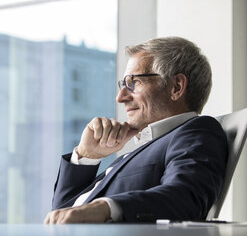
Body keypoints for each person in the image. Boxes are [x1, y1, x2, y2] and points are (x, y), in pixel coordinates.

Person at [44, 36, 228, 224]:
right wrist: (86, 155)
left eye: (133, 82)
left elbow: (186, 196)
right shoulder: (141, 150)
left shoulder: (197, 132)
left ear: (176, 87)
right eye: (122, 84)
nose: (120, 97)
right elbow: (62, 212)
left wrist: (106, 208)